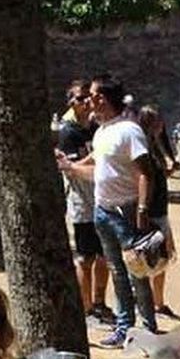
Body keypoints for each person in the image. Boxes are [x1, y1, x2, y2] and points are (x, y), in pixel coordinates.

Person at [58, 74, 158, 346]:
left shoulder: (129, 130)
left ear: (102, 98)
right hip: (103, 212)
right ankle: (125, 328)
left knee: (136, 271)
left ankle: (147, 329)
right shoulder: (101, 132)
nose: (88, 100)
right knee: (117, 271)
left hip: (125, 211)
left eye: (91, 95)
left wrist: (141, 207)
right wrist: (68, 166)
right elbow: (95, 170)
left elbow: (145, 172)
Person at [57, 82, 111, 323]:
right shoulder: (69, 133)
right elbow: (71, 170)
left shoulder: (94, 129)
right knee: (85, 258)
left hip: (99, 201)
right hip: (81, 204)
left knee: (104, 256)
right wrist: (98, 170)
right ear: (71, 103)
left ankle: (99, 303)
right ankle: (86, 308)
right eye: (80, 99)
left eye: (87, 97)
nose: (86, 102)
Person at [136, 105, 180, 319]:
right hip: (150, 210)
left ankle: (158, 303)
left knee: (162, 258)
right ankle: (147, 303)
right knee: (149, 258)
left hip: (161, 208)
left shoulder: (156, 145)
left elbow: (158, 177)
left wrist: (169, 169)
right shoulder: (143, 147)